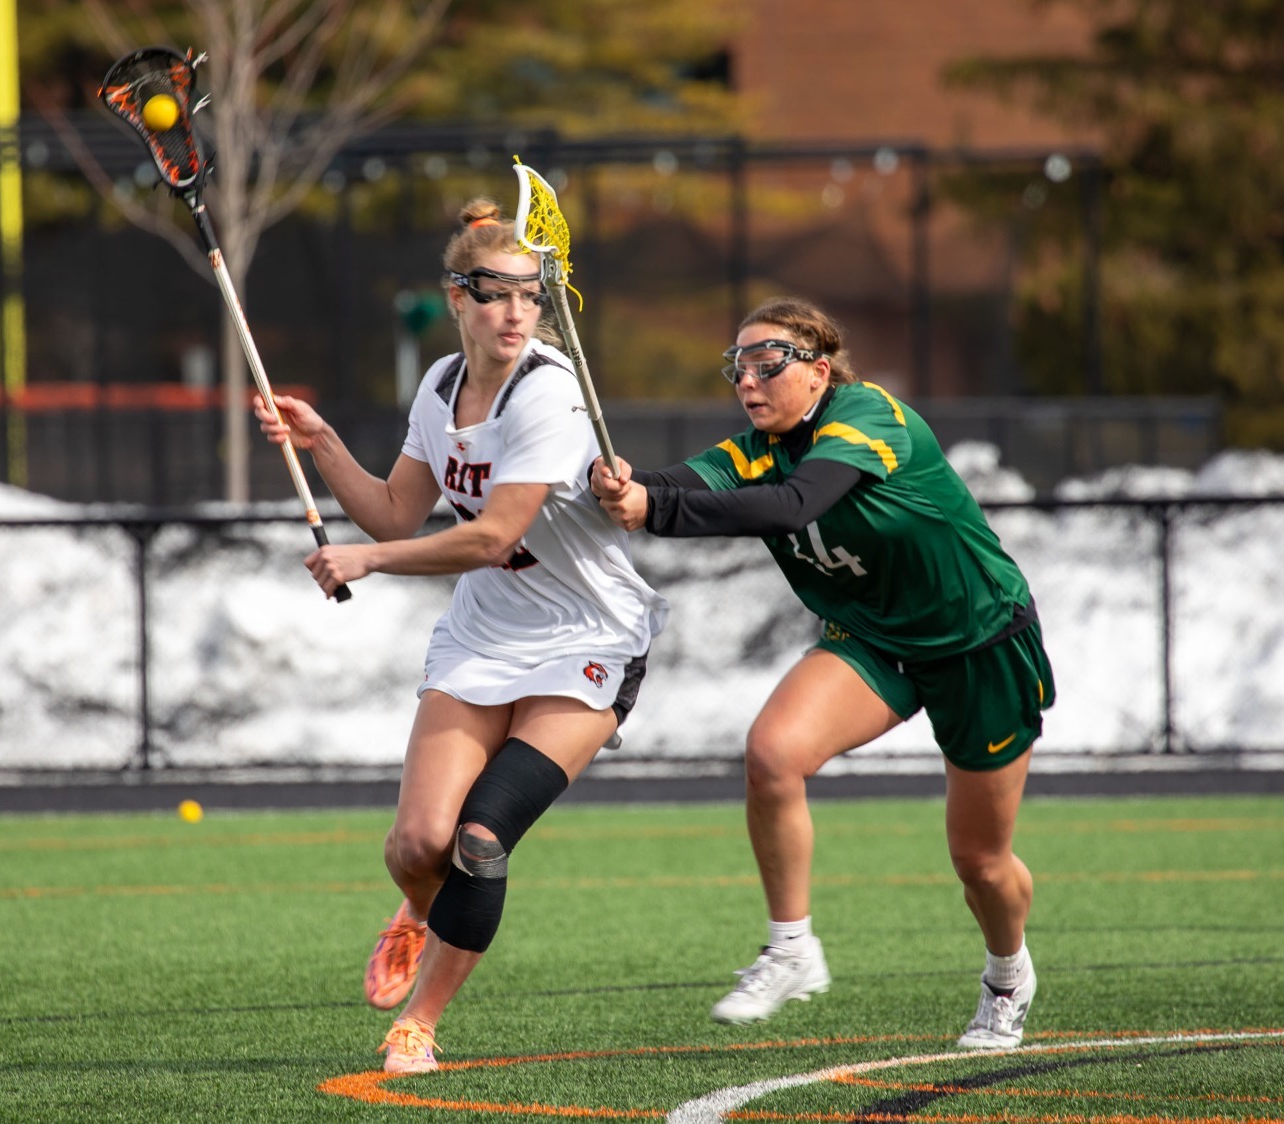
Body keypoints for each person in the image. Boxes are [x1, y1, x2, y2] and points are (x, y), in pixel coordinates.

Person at [254, 199, 669, 1075]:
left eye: (531, 296)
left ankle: (420, 1023)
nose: (516, 313)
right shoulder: (441, 384)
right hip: (487, 633)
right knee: (416, 847)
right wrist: (321, 442)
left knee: (480, 839)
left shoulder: (549, 390)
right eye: (496, 295)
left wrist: (369, 562)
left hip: (587, 637)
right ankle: (420, 913)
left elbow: (493, 536)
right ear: (458, 298)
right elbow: (397, 509)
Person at [590, 295, 1055, 1049]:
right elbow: (684, 482)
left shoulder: (867, 417)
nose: (748, 381)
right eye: (736, 366)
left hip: (978, 642)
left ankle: (1007, 976)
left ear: (819, 367)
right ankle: (791, 946)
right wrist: (624, 483)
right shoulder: (757, 445)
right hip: (874, 640)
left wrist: (656, 508)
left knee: (980, 862)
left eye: (766, 362)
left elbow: (792, 505)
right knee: (772, 753)